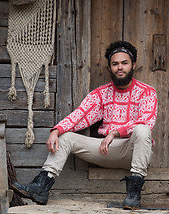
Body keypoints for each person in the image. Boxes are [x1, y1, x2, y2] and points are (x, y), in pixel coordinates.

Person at [11, 40, 158, 210]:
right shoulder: (101, 94)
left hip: (133, 152)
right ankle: (41, 187)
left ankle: (134, 195)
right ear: (109, 67)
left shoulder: (147, 92)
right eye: (115, 64)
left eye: (124, 63)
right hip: (106, 151)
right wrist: (56, 130)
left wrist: (115, 133)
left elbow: (146, 121)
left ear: (133, 65)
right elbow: (80, 115)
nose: (120, 67)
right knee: (65, 137)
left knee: (142, 130)